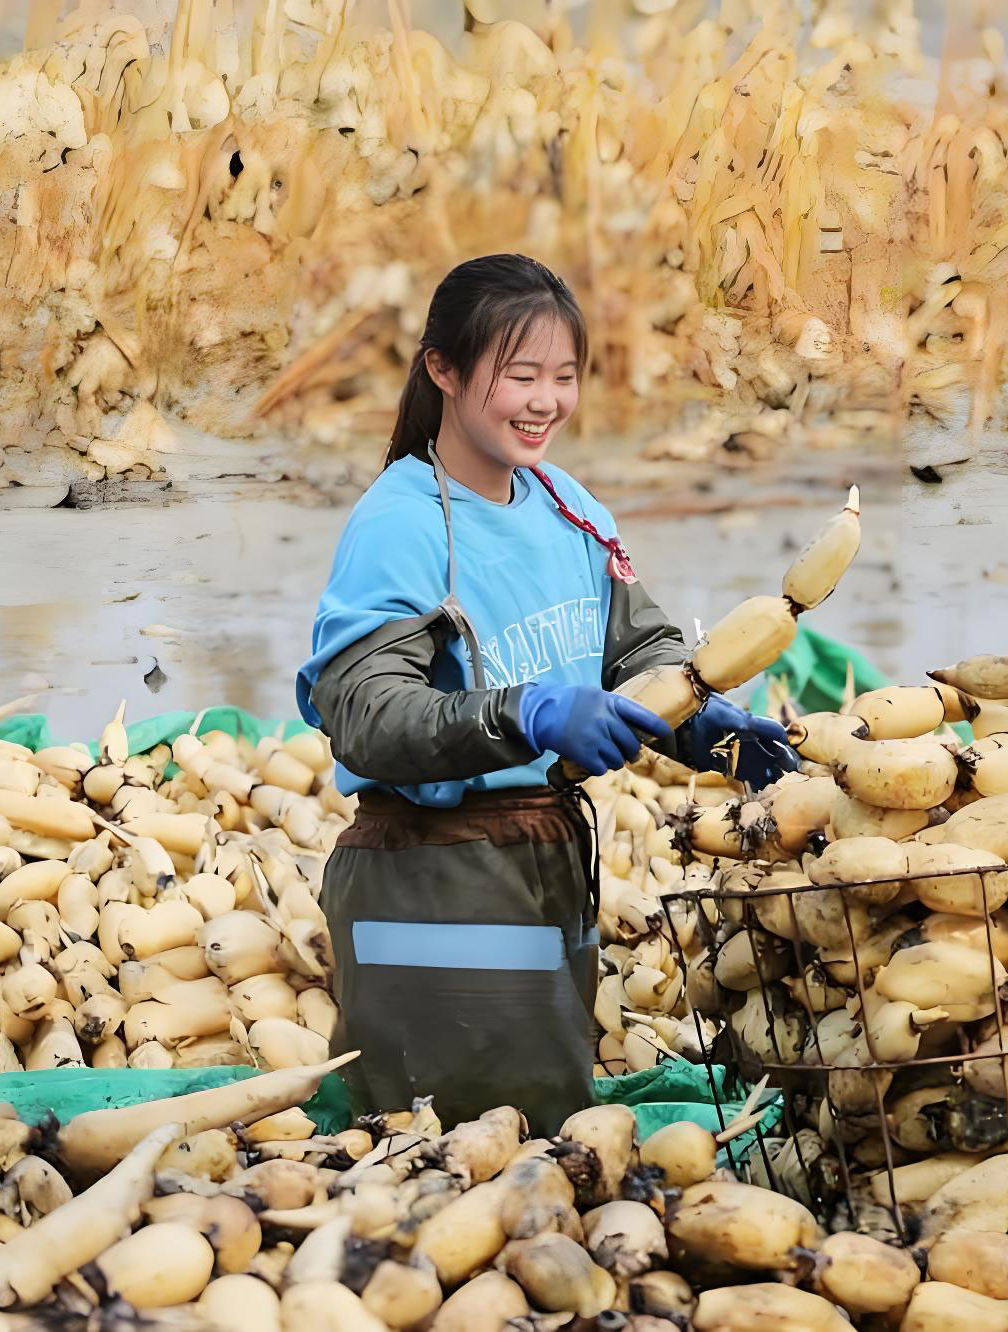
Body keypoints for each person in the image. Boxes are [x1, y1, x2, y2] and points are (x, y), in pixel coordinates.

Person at [295, 254, 797, 1130]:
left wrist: (701, 723)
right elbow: (365, 717)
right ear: (442, 371)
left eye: (563, 377)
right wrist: (524, 713)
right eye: (520, 375)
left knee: (549, 1121)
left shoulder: (567, 503)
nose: (545, 402)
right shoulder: (404, 524)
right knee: (468, 1150)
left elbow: (638, 648)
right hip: (436, 879)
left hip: (549, 862)